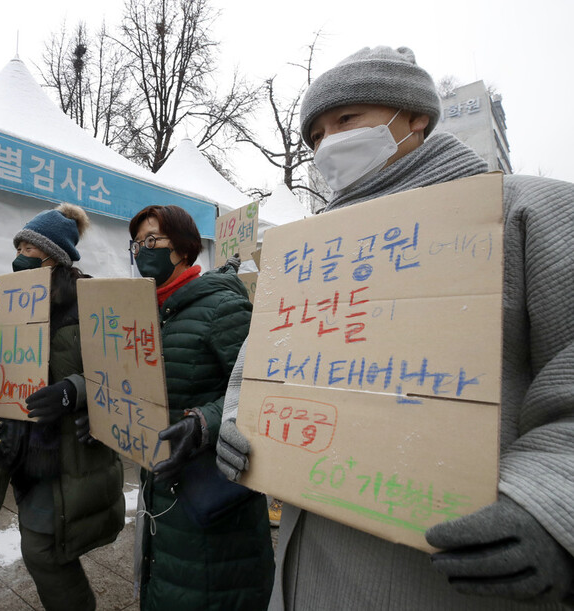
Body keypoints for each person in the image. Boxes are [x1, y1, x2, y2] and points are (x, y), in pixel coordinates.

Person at [216, 46, 574, 610]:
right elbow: (261, 361)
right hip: (307, 567)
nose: (328, 142)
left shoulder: (528, 209)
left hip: (453, 576)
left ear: (415, 119)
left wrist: (552, 502)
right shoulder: (311, 252)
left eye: (346, 120)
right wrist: (240, 423)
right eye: (315, 135)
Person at [0, 203, 125, 611]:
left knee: (43, 551)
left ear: (56, 256)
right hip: (22, 449)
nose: (19, 258)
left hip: (70, 453)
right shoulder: (10, 305)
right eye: (18, 248)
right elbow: (6, 363)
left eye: (30, 250)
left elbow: (122, 373)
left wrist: (73, 391)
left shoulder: (92, 302)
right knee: (44, 546)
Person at [129, 205, 274, 610]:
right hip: (164, 489)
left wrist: (202, 424)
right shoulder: (149, 314)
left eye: (153, 240)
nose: (143, 250)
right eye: (137, 243)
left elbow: (261, 391)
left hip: (215, 501)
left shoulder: (223, 308)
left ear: (183, 248)